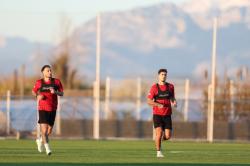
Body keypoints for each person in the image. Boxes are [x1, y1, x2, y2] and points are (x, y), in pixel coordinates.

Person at [32, 65, 63, 155]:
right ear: (43, 72)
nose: (50, 72)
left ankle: (40, 140)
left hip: (53, 108)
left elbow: (62, 93)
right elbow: (33, 91)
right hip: (42, 108)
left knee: (49, 131)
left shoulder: (56, 82)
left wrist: (56, 92)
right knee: (44, 131)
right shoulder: (39, 82)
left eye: (50, 70)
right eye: (47, 70)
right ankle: (47, 149)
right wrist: (37, 96)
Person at [147, 68, 177, 158]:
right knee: (159, 133)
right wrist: (158, 104)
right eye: (162, 74)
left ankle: (158, 140)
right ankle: (158, 152)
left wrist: (174, 102)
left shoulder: (170, 87)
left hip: (167, 115)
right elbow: (149, 101)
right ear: (158, 76)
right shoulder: (154, 87)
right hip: (157, 115)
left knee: (167, 136)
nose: (164, 76)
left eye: (165, 74)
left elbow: (172, 97)